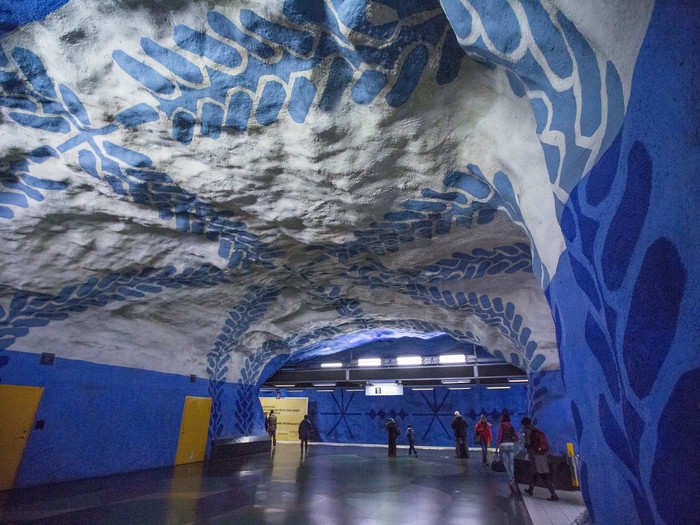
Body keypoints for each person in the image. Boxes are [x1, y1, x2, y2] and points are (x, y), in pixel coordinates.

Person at [521, 417, 559, 501]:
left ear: (524, 424)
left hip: (537, 455)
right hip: (541, 454)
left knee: (543, 475)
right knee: (534, 473)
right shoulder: (535, 429)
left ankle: (554, 494)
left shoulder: (528, 430)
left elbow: (528, 443)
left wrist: (526, 445)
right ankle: (530, 490)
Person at [496, 411, 520, 496]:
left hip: (503, 445)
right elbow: (516, 438)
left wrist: (497, 447)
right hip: (511, 445)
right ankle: (512, 478)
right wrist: (513, 440)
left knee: (506, 464)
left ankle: (510, 479)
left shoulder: (502, 426)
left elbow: (499, 437)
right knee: (511, 464)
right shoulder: (511, 426)